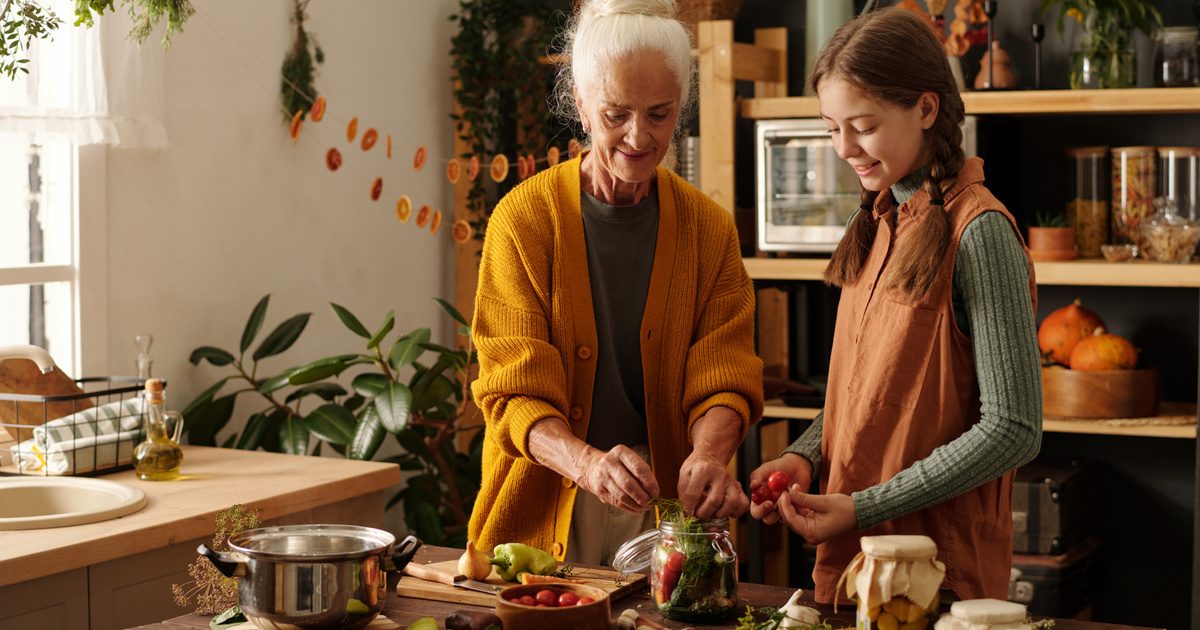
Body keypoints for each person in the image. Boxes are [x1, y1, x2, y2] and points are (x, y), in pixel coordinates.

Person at [748, 8, 1041, 603]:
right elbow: (868, 396)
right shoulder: (879, 222)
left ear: (926, 109)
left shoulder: (981, 233)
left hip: (938, 581)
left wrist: (863, 506)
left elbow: (1014, 429)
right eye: (832, 128)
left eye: (863, 126)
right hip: (856, 568)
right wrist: (804, 456)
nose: (845, 149)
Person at [467, 0, 763, 567]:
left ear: (682, 106)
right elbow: (513, 389)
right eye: (616, 113)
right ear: (579, 103)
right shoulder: (524, 220)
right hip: (545, 494)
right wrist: (586, 463)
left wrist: (707, 455)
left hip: (661, 509)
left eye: (659, 113)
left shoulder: (709, 229)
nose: (638, 136)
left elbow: (724, 371)